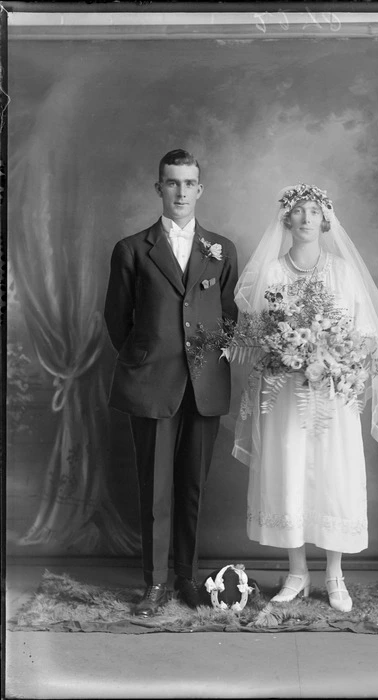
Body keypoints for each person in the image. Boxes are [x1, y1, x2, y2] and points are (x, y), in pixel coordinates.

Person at [232, 184, 378, 612]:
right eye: (299, 211)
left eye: (315, 211)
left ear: (325, 219)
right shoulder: (272, 274)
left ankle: (334, 575)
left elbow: (366, 336)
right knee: (288, 469)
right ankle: (296, 572)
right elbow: (254, 338)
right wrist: (285, 349)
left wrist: (336, 354)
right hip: (286, 394)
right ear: (286, 220)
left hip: (332, 395)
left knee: (333, 474)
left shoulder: (342, 273)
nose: (307, 218)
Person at [104, 149, 238, 616]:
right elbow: (117, 320)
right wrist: (146, 358)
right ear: (158, 187)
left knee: (193, 489)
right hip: (152, 383)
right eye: (171, 182)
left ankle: (187, 577)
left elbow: (229, 316)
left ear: (200, 189)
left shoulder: (221, 249)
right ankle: (155, 583)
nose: (181, 191)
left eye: (189, 183)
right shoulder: (131, 249)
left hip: (205, 386)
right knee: (156, 489)